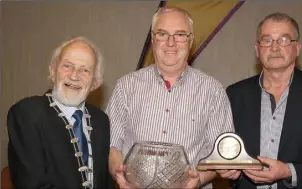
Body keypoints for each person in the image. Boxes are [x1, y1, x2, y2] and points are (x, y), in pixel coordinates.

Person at [219, 12, 302, 189]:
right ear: (257, 49)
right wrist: (228, 168)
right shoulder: (235, 94)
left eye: (283, 40)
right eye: (267, 40)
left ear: (297, 48)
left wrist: (290, 171)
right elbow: (227, 150)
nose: (274, 48)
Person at [106, 7, 234, 189]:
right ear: (152, 39)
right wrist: (119, 174)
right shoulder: (126, 87)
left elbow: (220, 154)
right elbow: (112, 146)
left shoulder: (213, 91)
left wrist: (198, 179)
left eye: (180, 35)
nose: (171, 43)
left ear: (191, 41)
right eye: (162, 34)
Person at [7, 37, 115, 189]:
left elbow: (104, 182)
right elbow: (31, 184)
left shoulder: (100, 120)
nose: (74, 76)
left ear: (95, 82)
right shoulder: (27, 114)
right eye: (67, 66)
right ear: (52, 72)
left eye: (85, 70)